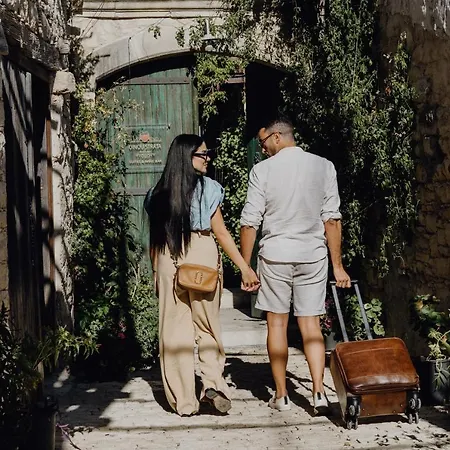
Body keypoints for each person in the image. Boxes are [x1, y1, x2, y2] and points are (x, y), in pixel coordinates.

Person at [240, 118, 351, 415]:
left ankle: (281, 395)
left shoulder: (262, 171)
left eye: (263, 142)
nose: (262, 149)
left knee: (276, 324)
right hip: (312, 255)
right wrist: (338, 266)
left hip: (275, 255)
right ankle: (318, 393)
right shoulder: (324, 166)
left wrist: (245, 266)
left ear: (277, 137)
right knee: (311, 324)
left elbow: (250, 222)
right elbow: (332, 219)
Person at [145, 134, 260, 417]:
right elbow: (221, 232)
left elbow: (154, 239)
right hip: (202, 254)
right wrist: (244, 267)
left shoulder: (156, 193)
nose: (208, 159)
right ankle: (212, 384)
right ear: (187, 157)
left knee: (173, 332)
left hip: (168, 257)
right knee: (207, 326)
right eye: (203, 154)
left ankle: (184, 401)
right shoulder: (209, 189)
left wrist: (155, 271)